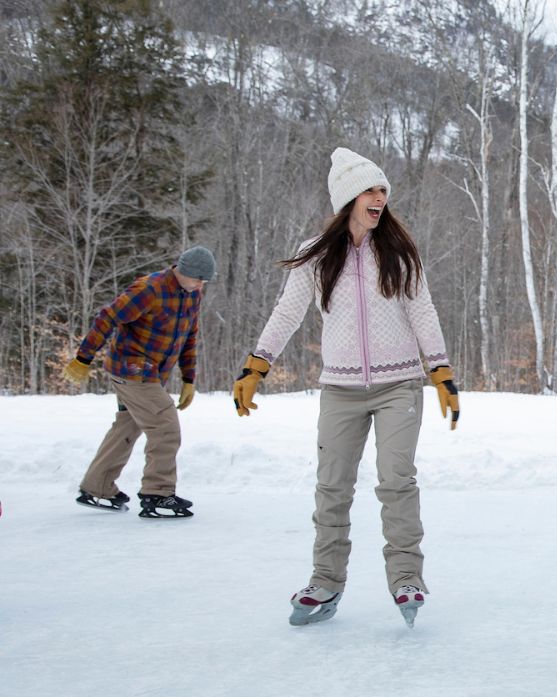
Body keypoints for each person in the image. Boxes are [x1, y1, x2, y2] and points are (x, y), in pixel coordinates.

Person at [233, 147, 459, 629]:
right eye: (372, 190)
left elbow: (423, 313)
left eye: (383, 191)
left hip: (399, 384)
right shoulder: (316, 255)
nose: (380, 198)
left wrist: (440, 372)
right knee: (331, 488)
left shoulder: (400, 251)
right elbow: (286, 314)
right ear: (349, 197)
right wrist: (256, 366)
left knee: (396, 481)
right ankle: (325, 581)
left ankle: (405, 577)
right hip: (339, 390)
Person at [63, 245, 217, 519]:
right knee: (166, 427)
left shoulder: (192, 294)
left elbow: (189, 337)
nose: (199, 285)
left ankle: (96, 487)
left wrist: (188, 378)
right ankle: (157, 493)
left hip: (153, 373)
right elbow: (108, 316)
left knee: (127, 426)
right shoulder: (150, 289)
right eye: (197, 279)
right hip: (131, 369)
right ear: (182, 271)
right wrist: (84, 358)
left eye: (203, 281)